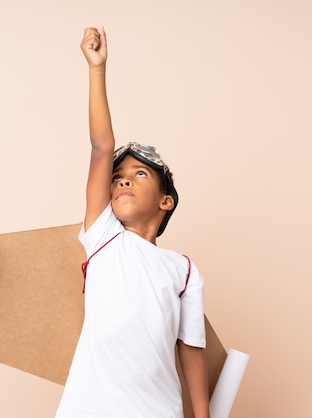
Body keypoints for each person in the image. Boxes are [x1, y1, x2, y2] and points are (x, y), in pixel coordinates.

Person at [55, 27, 210, 418]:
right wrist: (97, 70)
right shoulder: (104, 236)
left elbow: (191, 346)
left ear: (165, 200)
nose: (122, 179)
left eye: (140, 174)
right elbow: (101, 147)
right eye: (118, 176)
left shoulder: (184, 270)